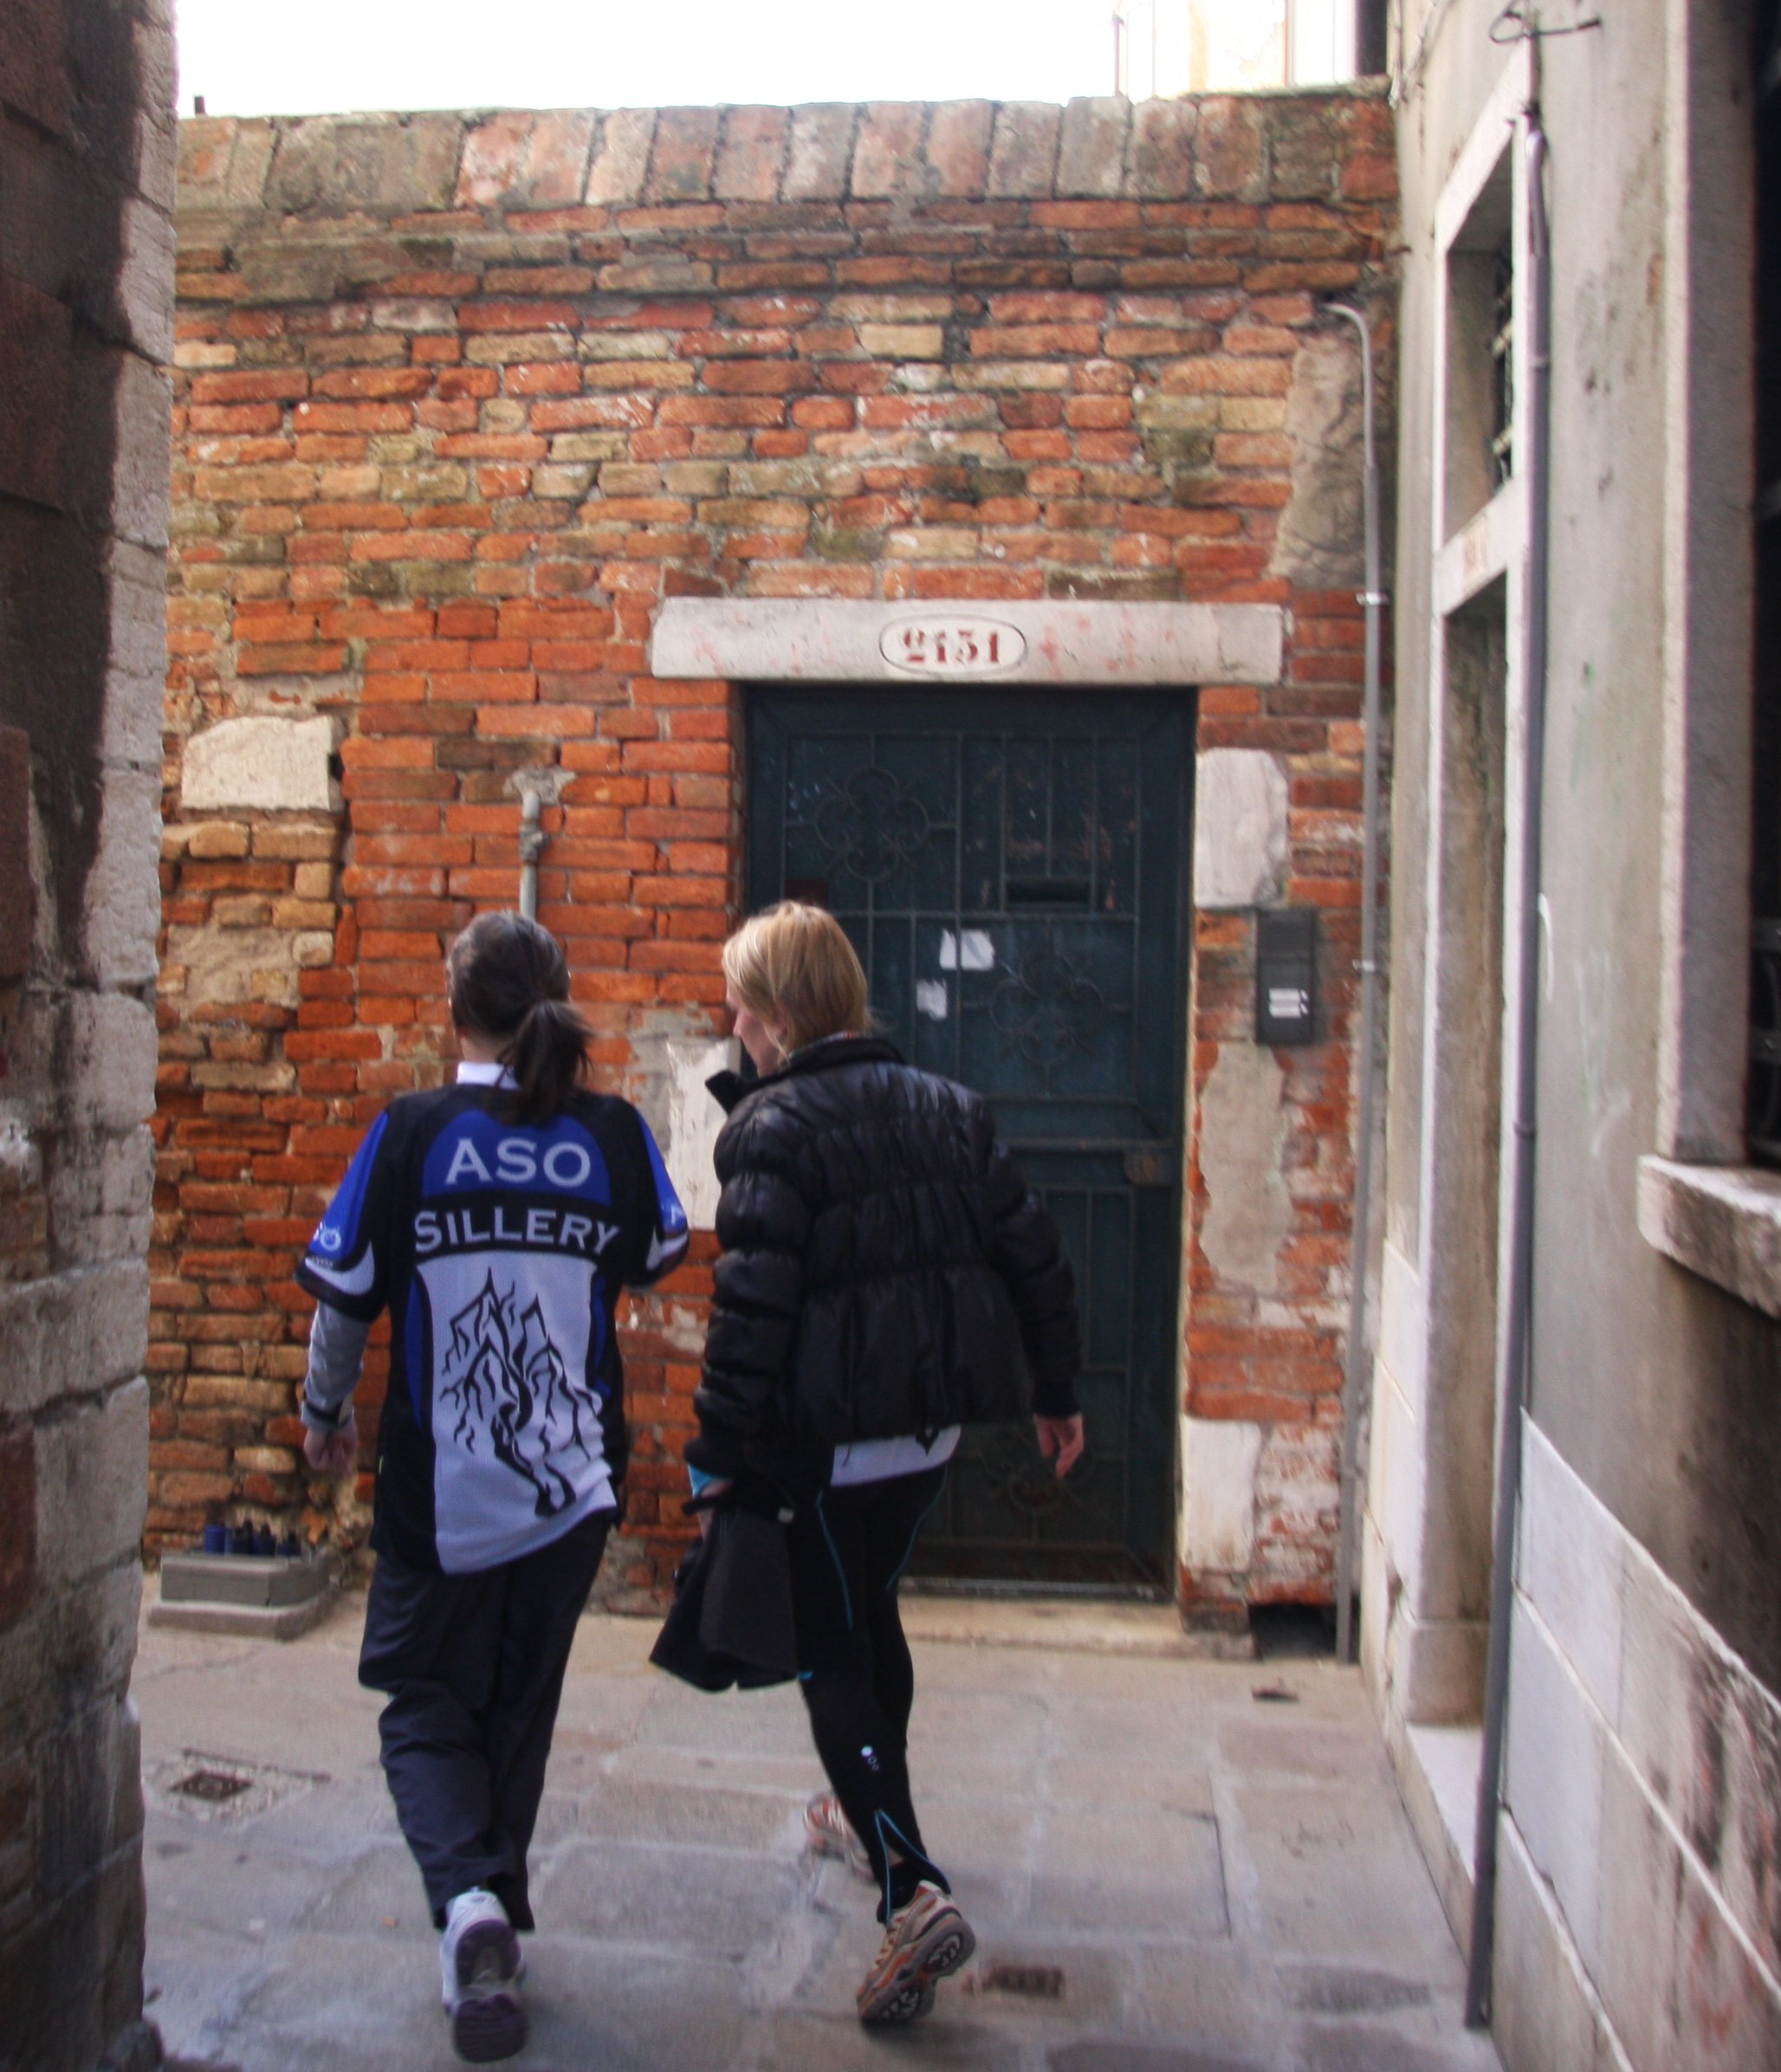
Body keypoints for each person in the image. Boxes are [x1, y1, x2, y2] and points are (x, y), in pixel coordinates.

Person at [297, 911, 688, 2063]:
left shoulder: (412, 1132)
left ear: (452, 1008)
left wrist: (324, 1414)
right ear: (557, 999)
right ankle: (489, 1925)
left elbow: (346, 1298)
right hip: (573, 1484)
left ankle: (470, 1905)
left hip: (439, 1485)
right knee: (519, 1704)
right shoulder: (611, 1134)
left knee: (426, 1701)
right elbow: (651, 1260)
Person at [686, 902, 1084, 2028]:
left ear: (776, 1016)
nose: (733, 1026)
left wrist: (717, 1456)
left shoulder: (769, 1129)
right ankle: (877, 1825)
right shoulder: (950, 1108)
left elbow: (751, 1311)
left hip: (823, 1443)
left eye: (742, 1008)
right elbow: (1037, 1258)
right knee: (869, 1610)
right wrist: (1057, 1393)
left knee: (830, 1649)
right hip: (926, 1437)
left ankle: (910, 1886)